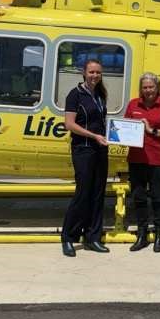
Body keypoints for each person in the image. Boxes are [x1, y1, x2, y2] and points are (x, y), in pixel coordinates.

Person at [60, 58, 110, 257]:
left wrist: (110, 135)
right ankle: (68, 237)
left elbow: (101, 121)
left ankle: (93, 237)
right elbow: (69, 124)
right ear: (84, 73)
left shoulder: (100, 94)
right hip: (83, 149)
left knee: (98, 195)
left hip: (99, 150)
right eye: (91, 72)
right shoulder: (75, 94)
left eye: (98, 72)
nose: (95, 76)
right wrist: (94, 136)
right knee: (82, 194)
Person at [124, 72, 160, 253]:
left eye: (151, 87)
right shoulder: (133, 104)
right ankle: (142, 234)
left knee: (158, 198)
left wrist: (151, 130)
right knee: (138, 198)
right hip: (137, 159)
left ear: (157, 87)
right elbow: (125, 127)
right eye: (145, 87)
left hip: (158, 159)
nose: (148, 91)